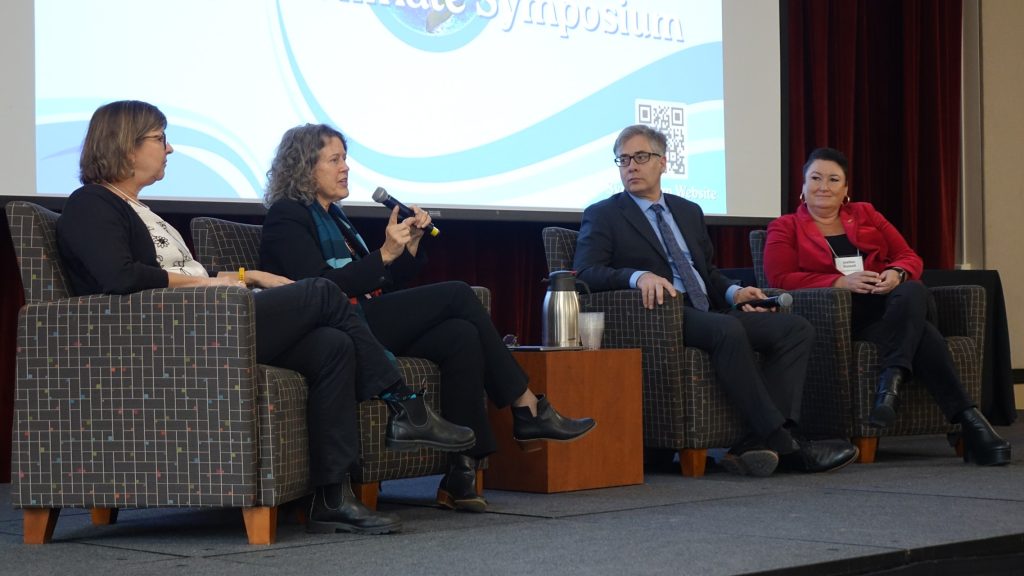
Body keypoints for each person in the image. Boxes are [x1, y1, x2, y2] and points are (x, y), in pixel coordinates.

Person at [56, 100, 481, 536]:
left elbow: (184, 273)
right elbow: (121, 276)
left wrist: (247, 276)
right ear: (126, 146)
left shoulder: (141, 210)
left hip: (211, 318)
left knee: (332, 346)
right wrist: (217, 285)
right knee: (321, 290)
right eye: (160, 138)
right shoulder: (91, 204)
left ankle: (332, 498)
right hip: (180, 333)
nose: (170, 148)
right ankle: (404, 403)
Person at [259, 123, 596, 512]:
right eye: (335, 160)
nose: (345, 168)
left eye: (345, 159)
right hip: (336, 325)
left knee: (460, 335)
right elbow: (322, 289)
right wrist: (384, 254)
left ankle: (462, 472)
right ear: (305, 167)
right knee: (457, 294)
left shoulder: (335, 217)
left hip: (365, 314)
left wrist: (408, 248)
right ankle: (526, 407)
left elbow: (380, 281)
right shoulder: (287, 217)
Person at [574, 124, 859, 477]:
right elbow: (586, 271)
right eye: (623, 159)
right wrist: (637, 276)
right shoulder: (604, 214)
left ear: (663, 162)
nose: (631, 166)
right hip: (662, 315)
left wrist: (733, 292)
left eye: (641, 157)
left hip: (709, 309)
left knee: (795, 329)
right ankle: (784, 444)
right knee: (726, 329)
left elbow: (705, 271)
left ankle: (756, 442)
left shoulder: (687, 210)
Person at [763, 147, 1011, 466]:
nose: (823, 186)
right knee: (923, 335)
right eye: (815, 178)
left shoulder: (866, 214)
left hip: (890, 305)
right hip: (843, 316)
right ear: (803, 185)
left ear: (846, 188)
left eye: (833, 179)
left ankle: (891, 379)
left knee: (911, 290)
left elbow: (909, 257)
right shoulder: (785, 227)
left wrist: (896, 273)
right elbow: (780, 278)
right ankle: (970, 422)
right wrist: (840, 282)